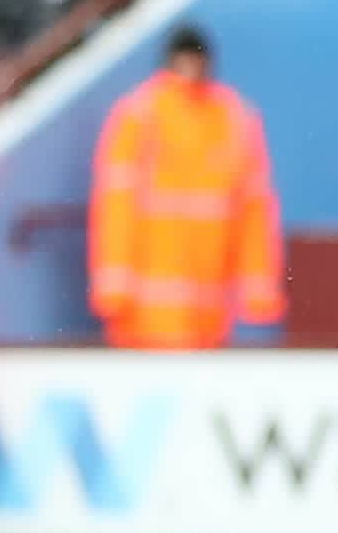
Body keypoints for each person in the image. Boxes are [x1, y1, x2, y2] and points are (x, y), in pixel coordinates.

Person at [86, 25, 284, 350]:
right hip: (143, 310)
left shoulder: (233, 118)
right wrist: (113, 286)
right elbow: (115, 206)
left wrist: (258, 289)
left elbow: (255, 212)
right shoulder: (141, 116)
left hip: (209, 308)